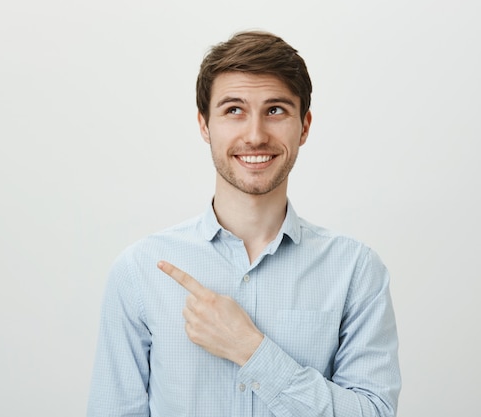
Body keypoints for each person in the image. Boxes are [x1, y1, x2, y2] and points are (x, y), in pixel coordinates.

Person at [87, 30, 401, 417]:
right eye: (234, 110)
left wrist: (251, 350)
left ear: (304, 127)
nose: (255, 135)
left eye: (275, 110)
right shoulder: (139, 271)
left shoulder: (356, 270)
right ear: (205, 125)